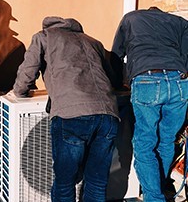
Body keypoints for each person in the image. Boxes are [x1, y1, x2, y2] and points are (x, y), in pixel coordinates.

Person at [13, 16, 120, 202]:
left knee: (65, 182)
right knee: (97, 182)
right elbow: (113, 78)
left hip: (72, 114)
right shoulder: (94, 42)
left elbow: (27, 72)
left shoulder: (44, 36)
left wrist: (20, 91)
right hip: (108, 114)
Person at [112, 7, 188, 202]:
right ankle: (157, 192)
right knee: (167, 140)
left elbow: (116, 55)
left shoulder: (131, 18)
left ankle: (154, 197)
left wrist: (117, 83)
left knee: (145, 144)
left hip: (147, 78)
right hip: (179, 81)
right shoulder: (179, 22)